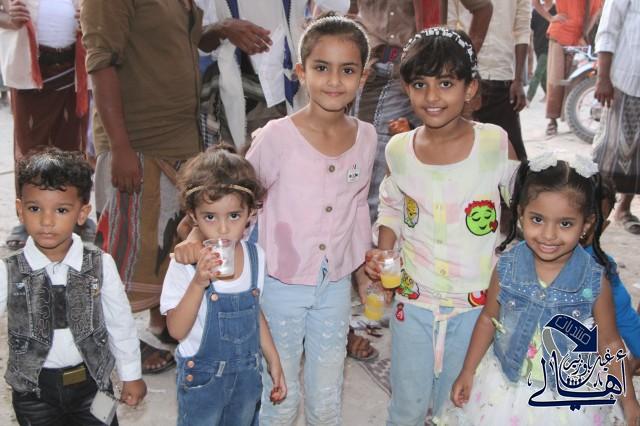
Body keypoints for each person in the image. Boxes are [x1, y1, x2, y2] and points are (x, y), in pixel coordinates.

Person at [174, 16, 376, 424]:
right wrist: (196, 234)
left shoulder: (367, 137)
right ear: (301, 72)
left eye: (347, 70)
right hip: (281, 282)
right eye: (322, 68)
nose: (334, 80)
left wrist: (362, 272)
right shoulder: (277, 137)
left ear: (363, 76)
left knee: (328, 389)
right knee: (279, 388)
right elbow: (236, 195)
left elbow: (357, 207)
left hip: (334, 284)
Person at [363, 27, 520, 424]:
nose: (432, 96)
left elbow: (522, 207)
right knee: (406, 405)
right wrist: (384, 252)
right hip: (414, 300)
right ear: (407, 87)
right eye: (421, 84)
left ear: (470, 88)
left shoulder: (493, 144)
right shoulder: (400, 149)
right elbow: (392, 205)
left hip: (476, 307)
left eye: (446, 83)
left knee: (459, 406)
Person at [80, 0, 221, 373]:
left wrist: (221, 31)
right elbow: (101, 64)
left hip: (179, 138)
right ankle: (113, 339)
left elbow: (177, 40)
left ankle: (163, 323)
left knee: (166, 247)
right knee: (127, 254)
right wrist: (121, 148)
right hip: (138, 141)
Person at [447, 156, 639, 424]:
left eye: (565, 223)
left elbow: (609, 343)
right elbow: (488, 319)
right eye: (537, 219)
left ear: (586, 225)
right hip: (505, 387)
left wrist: (629, 401)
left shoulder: (596, 282)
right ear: (521, 214)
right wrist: (468, 370)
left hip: (567, 400)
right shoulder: (507, 267)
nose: (548, 235)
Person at [0, 149, 146, 425]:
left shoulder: (100, 264)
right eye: (35, 209)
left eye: (61, 210)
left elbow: (120, 323)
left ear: (82, 213)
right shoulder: (8, 271)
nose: (46, 221)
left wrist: (131, 374)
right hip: (33, 393)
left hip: (94, 386)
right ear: (20, 210)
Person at [160, 147, 286, 425]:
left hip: (246, 379)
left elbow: (253, 311)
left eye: (233, 216)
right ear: (193, 216)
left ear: (250, 212)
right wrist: (198, 283)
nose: (223, 229)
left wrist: (273, 358)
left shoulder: (255, 257)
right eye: (210, 217)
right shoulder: (185, 265)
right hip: (202, 382)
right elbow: (176, 330)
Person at [356, 0, 493, 222]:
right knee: (378, 172)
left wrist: (461, 66)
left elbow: (483, 8)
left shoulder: (495, 142)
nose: (431, 97)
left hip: (423, 71)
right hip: (376, 72)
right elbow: (347, 11)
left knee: (428, 167)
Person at [0, 0, 91, 250]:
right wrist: (8, 19)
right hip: (30, 70)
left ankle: (74, 216)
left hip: (73, 69)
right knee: (30, 150)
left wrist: (90, 16)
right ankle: (28, 218)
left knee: (72, 148)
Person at [212, 0, 350, 148]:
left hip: (293, 94)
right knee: (243, 160)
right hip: (239, 99)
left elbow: (340, 7)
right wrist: (222, 28)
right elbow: (199, 39)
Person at [448, 0, 531, 161]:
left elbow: (522, 30)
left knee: (514, 160)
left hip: (502, 78)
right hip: (466, 78)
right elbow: (449, 26)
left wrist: (518, 80)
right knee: (464, 154)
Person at [581, 177, 640, 372]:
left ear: (604, 226)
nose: (584, 226)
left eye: (594, 220)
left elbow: (624, 314)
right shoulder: (526, 257)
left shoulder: (602, 268)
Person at [592, 0, 640, 235]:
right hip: (623, 81)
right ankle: (595, 213)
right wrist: (603, 77)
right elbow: (607, 30)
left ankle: (623, 209)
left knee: (637, 156)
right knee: (609, 152)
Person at [533, 0, 603, 136]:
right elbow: (535, 2)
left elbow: (595, 12)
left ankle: (571, 119)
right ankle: (552, 120)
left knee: (578, 81)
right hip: (560, 33)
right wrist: (550, 18)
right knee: (555, 78)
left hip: (580, 37)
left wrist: (583, 34)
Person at [527, 0, 556, 102]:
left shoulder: (556, 10)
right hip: (538, 45)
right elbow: (530, 28)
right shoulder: (536, 11)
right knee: (543, 74)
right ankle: (548, 94)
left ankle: (528, 97)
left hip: (549, 46)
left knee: (538, 72)